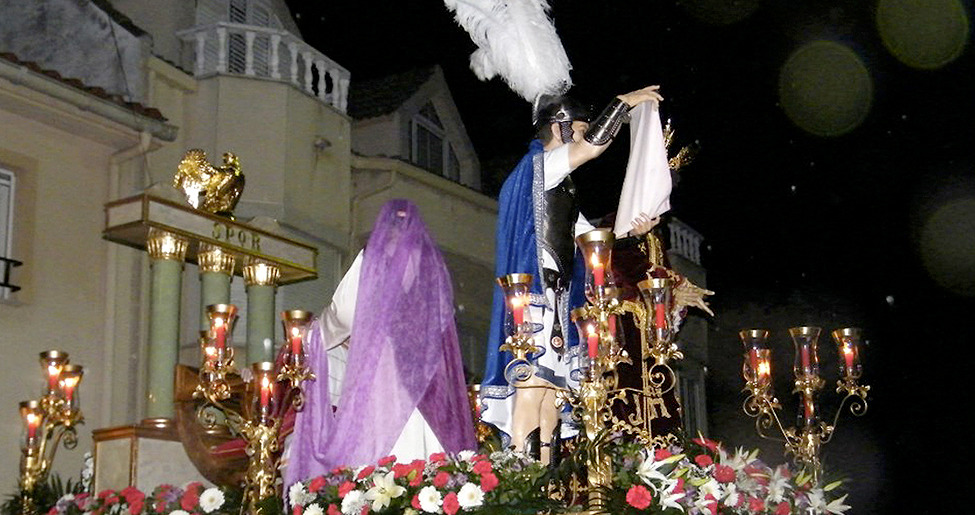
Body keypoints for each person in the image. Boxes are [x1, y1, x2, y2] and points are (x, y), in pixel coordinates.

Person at [480, 86, 665, 463]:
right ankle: (521, 484)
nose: (582, 135)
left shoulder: (556, 186)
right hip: (535, 303)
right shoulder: (538, 169)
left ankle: (545, 486)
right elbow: (592, 147)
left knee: (550, 397)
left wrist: (635, 232)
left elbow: (593, 241)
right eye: (579, 128)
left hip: (559, 303)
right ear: (560, 129)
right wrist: (622, 103)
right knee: (531, 390)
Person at [285, 199, 476, 489]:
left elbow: (341, 315)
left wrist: (310, 335)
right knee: (423, 472)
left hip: (384, 383)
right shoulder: (431, 269)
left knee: (379, 470)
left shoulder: (372, 262)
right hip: (426, 392)